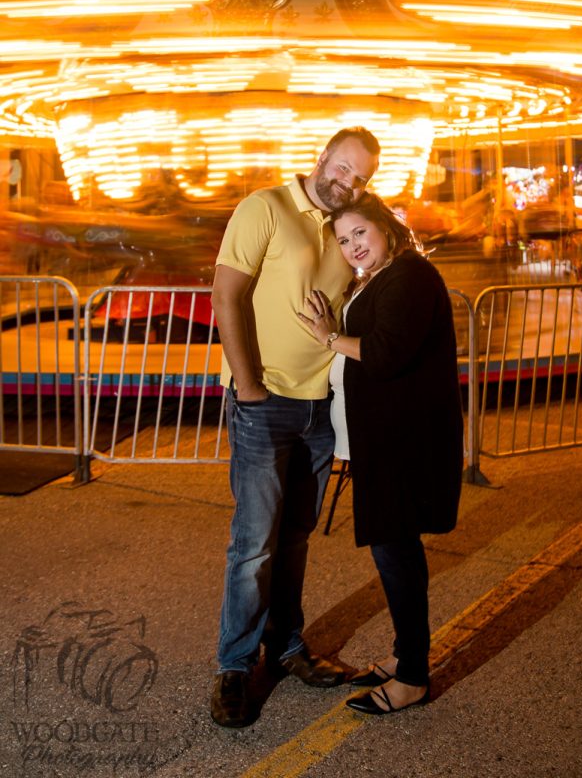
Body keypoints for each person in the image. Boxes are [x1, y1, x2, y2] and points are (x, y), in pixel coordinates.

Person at [210, 127, 380, 728]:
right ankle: (234, 666)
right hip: (267, 400)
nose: (349, 182)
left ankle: (284, 648)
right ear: (322, 157)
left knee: (297, 536)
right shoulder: (266, 207)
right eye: (343, 168)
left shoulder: (345, 230)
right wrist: (249, 385)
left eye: (361, 177)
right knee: (254, 542)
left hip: (318, 406)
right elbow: (226, 295)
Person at [298, 193, 464, 716]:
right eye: (344, 241)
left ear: (386, 229)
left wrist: (330, 338)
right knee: (398, 555)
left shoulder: (411, 276)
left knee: (396, 556)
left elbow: (388, 353)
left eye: (360, 234)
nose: (352, 247)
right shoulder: (384, 277)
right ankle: (404, 656)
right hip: (386, 438)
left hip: (404, 440)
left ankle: (413, 676)